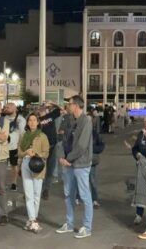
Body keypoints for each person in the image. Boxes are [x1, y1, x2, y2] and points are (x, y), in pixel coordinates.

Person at [55, 95, 94, 239]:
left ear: (76, 106)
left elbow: (82, 146)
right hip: (68, 163)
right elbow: (61, 139)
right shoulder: (68, 119)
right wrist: (61, 157)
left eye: (70, 104)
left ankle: (87, 227)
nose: (68, 106)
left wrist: (68, 158)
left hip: (80, 164)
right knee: (68, 194)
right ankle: (69, 224)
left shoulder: (86, 121)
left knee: (84, 195)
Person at [18, 112, 50, 233]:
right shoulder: (23, 135)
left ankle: (32, 220)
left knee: (36, 194)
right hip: (26, 164)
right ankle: (33, 220)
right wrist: (26, 152)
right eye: (30, 120)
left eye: (34, 120)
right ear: (27, 122)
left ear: (38, 122)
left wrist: (36, 154)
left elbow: (46, 153)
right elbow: (19, 152)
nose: (32, 122)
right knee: (29, 194)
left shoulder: (42, 136)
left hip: (38, 165)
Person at [38, 103, 62, 200]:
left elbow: (60, 109)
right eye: (41, 107)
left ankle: (46, 190)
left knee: (50, 170)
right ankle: (36, 189)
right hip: (41, 148)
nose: (42, 108)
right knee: (39, 169)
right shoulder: (36, 120)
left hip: (53, 146)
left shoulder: (51, 116)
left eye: (44, 107)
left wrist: (52, 103)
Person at [5, 102, 26, 191]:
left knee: (14, 165)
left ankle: (14, 183)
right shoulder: (3, 118)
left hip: (14, 146)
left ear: (14, 109)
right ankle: (1, 183)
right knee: (2, 165)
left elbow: (22, 134)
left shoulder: (21, 120)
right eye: (5, 107)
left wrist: (19, 147)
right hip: (3, 146)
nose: (6, 109)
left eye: (8, 107)